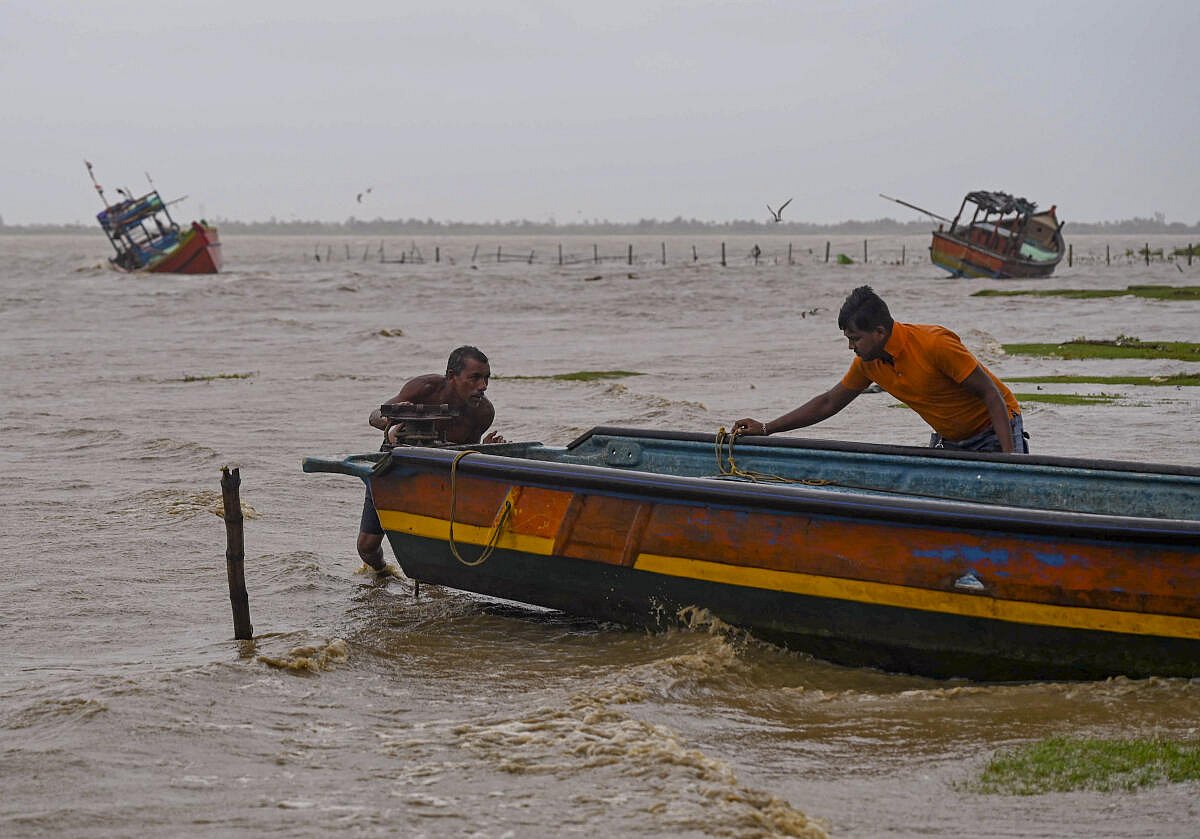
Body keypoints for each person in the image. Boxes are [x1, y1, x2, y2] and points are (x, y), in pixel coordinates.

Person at [733, 285, 1029, 453]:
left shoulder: (934, 344)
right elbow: (828, 403)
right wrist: (767, 428)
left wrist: (1010, 463)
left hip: (994, 430)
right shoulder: (869, 363)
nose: (851, 347)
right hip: (949, 439)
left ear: (879, 331)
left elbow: (991, 395)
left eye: (855, 339)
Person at [357, 346, 505, 574]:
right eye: (475, 378)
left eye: (486, 378)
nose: (483, 386)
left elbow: (465, 459)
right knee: (367, 547)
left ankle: (432, 580)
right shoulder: (425, 387)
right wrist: (394, 416)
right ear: (451, 376)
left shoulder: (482, 412)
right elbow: (374, 416)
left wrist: (485, 451)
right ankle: (383, 573)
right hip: (395, 466)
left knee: (432, 544)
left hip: (438, 476)